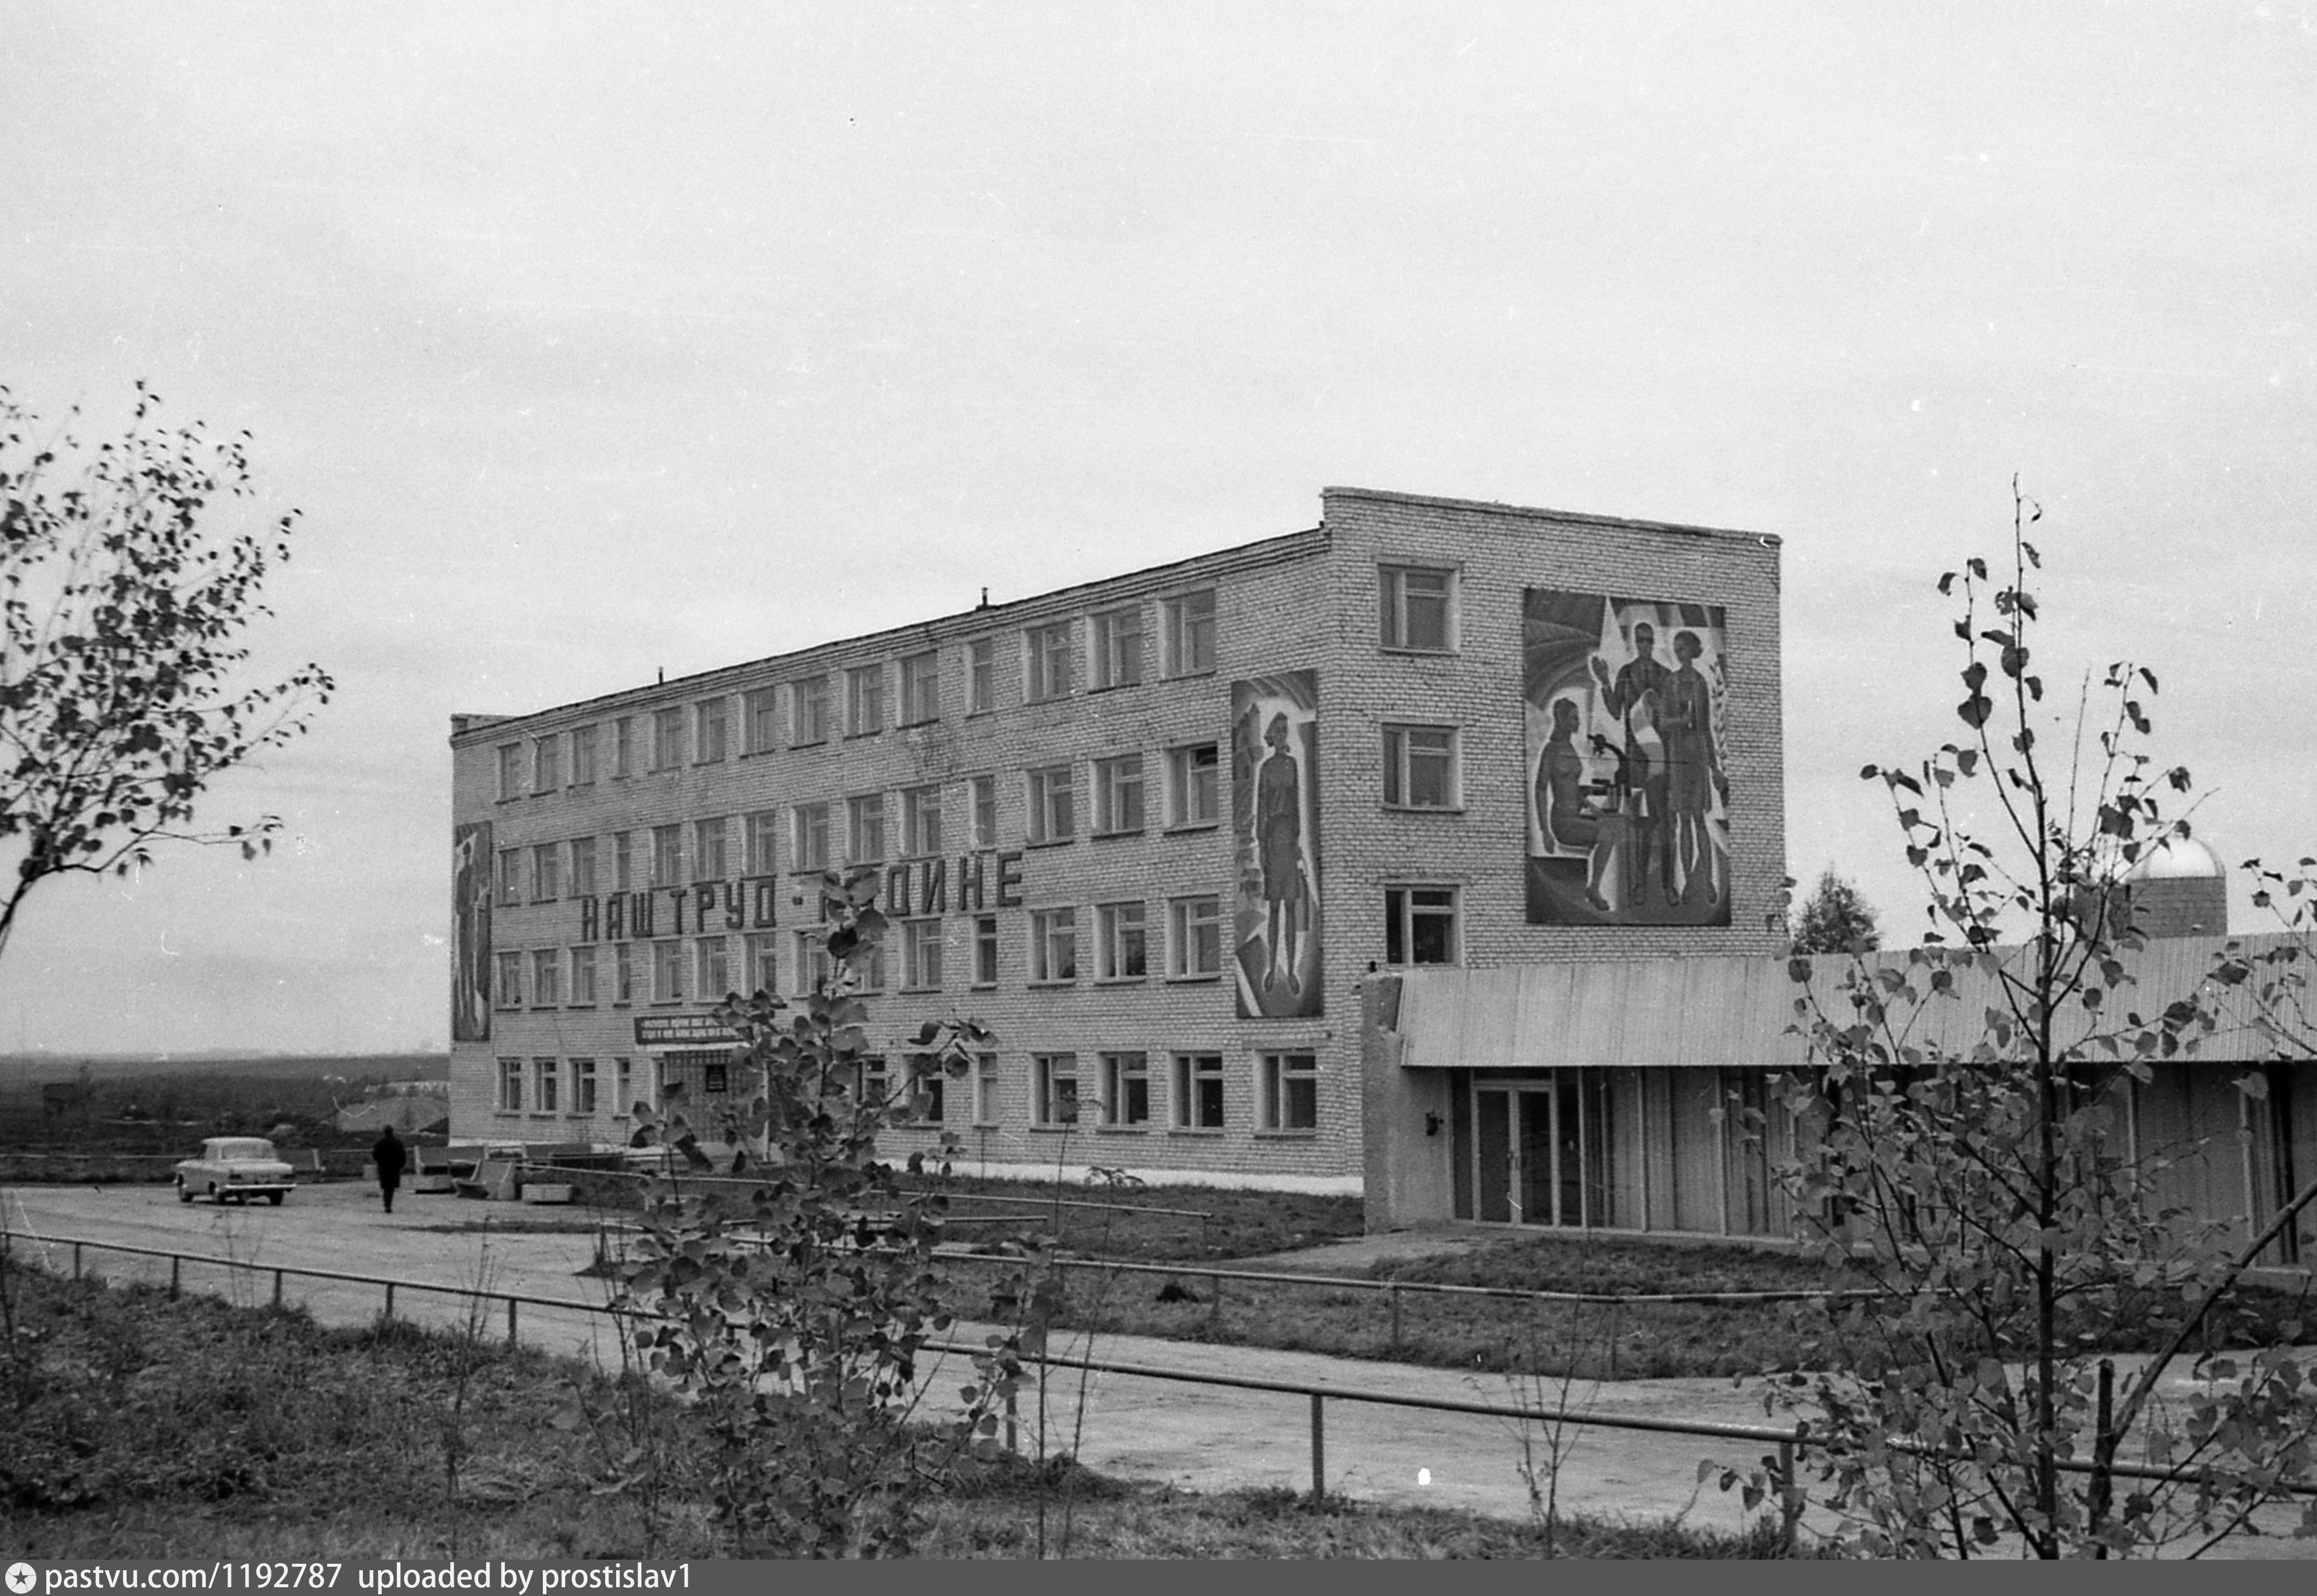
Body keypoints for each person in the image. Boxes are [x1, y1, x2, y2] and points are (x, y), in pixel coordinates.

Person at [1534, 697, 1628, 913]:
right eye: (1573, 718)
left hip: (1577, 816)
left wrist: (1590, 805)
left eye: (1577, 718)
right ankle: (1594, 889)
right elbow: (1540, 789)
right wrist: (1545, 831)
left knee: (1615, 825)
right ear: (1561, 720)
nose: (1578, 723)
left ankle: (1601, 886)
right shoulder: (1551, 750)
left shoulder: (1570, 747)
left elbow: (1572, 787)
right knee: (1607, 834)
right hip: (1562, 822)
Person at [1660, 630, 1721, 906]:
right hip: (1677, 755)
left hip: (1696, 756)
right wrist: (1680, 720)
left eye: (1682, 648)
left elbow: (1707, 727)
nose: (1678, 652)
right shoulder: (1670, 682)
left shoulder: (1700, 683)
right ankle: (1686, 882)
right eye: (1676, 648)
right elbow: (1663, 722)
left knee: (1699, 820)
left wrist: (1715, 767)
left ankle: (1708, 881)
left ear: (1691, 651)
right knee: (1683, 821)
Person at [1255, 711, 1305, 996]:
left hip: (1289, 838)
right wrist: (1262, 847)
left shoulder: (1293, 765)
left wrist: (1298, 840)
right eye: (1279, 731)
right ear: (1271, 736)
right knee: (1274, 907)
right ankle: (1271, 969)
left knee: (1290, 907)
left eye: (1286, 730)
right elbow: (1261, 807)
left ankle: (1292, 969)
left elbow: (1297, 802)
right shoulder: (1266, 768)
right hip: (1273, 838)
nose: (1283, 735)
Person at [372, 1124, 408, 1214]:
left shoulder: (380, 1143)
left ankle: (387, 1204)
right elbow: (403, 1155)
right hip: (394, 1168)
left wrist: (381, 1161)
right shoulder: (398, 1143)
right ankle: (388, 1204)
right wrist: (401, 1165)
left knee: (386, 1187)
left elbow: (375, 1156)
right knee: (391, 1188)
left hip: (384, 1168)